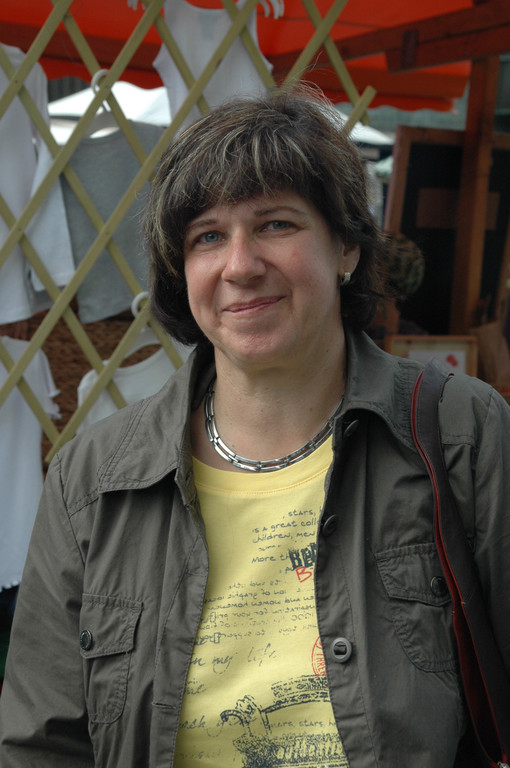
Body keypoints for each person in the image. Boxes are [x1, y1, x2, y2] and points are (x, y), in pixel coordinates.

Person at [0, 86, 509, 768]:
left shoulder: (461, 431)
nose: (240, 266)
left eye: (275, 224)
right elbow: (40, 743)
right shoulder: (93, 479)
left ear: (346, 247)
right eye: (208, 237)